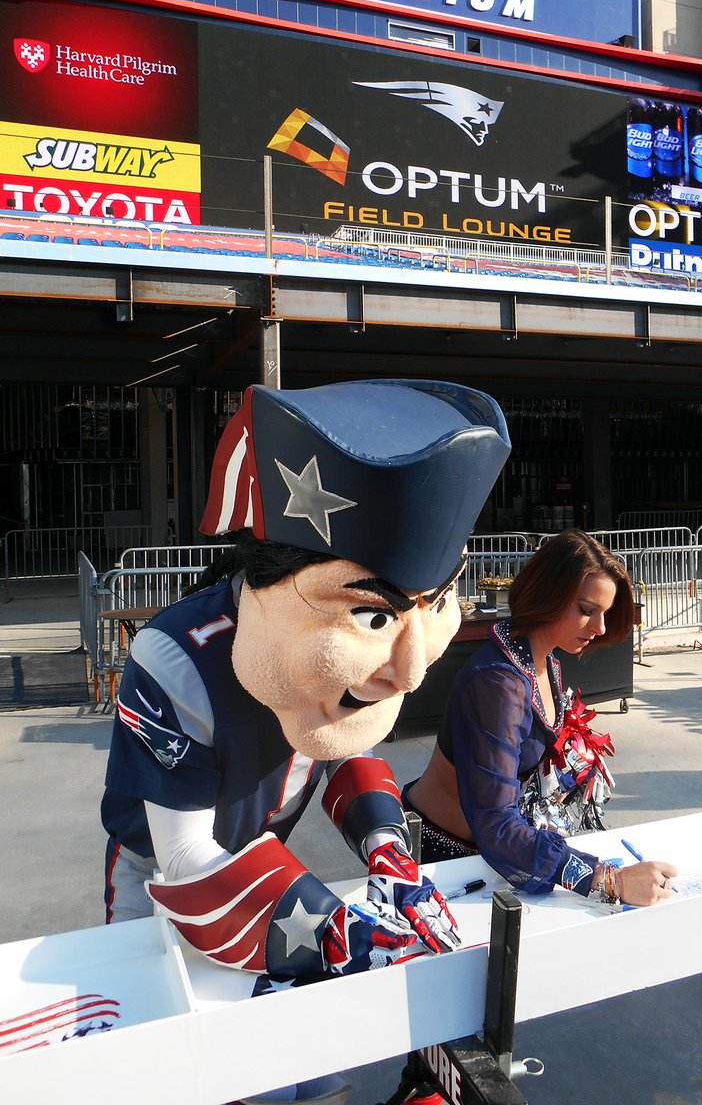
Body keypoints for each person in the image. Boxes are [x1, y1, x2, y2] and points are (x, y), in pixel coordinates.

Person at [100, 378, 510, 1105]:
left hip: (270, 865)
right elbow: (187, 857)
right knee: (203, 1071)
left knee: (322, 1074)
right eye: (375, 618)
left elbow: (348, 749)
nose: (411, 669)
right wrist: (338, 931)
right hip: (167, 886)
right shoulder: (176, 659)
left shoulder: (320, 650)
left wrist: (389, 850)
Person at [403, 529, 678, 908]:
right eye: (586, 610)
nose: (599, 628)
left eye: (605, 614)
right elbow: (496, 825)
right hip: (444, 859)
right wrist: (609, 881)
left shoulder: (543, 659)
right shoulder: (499, 684)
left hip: (487, 850)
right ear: (549, 594)